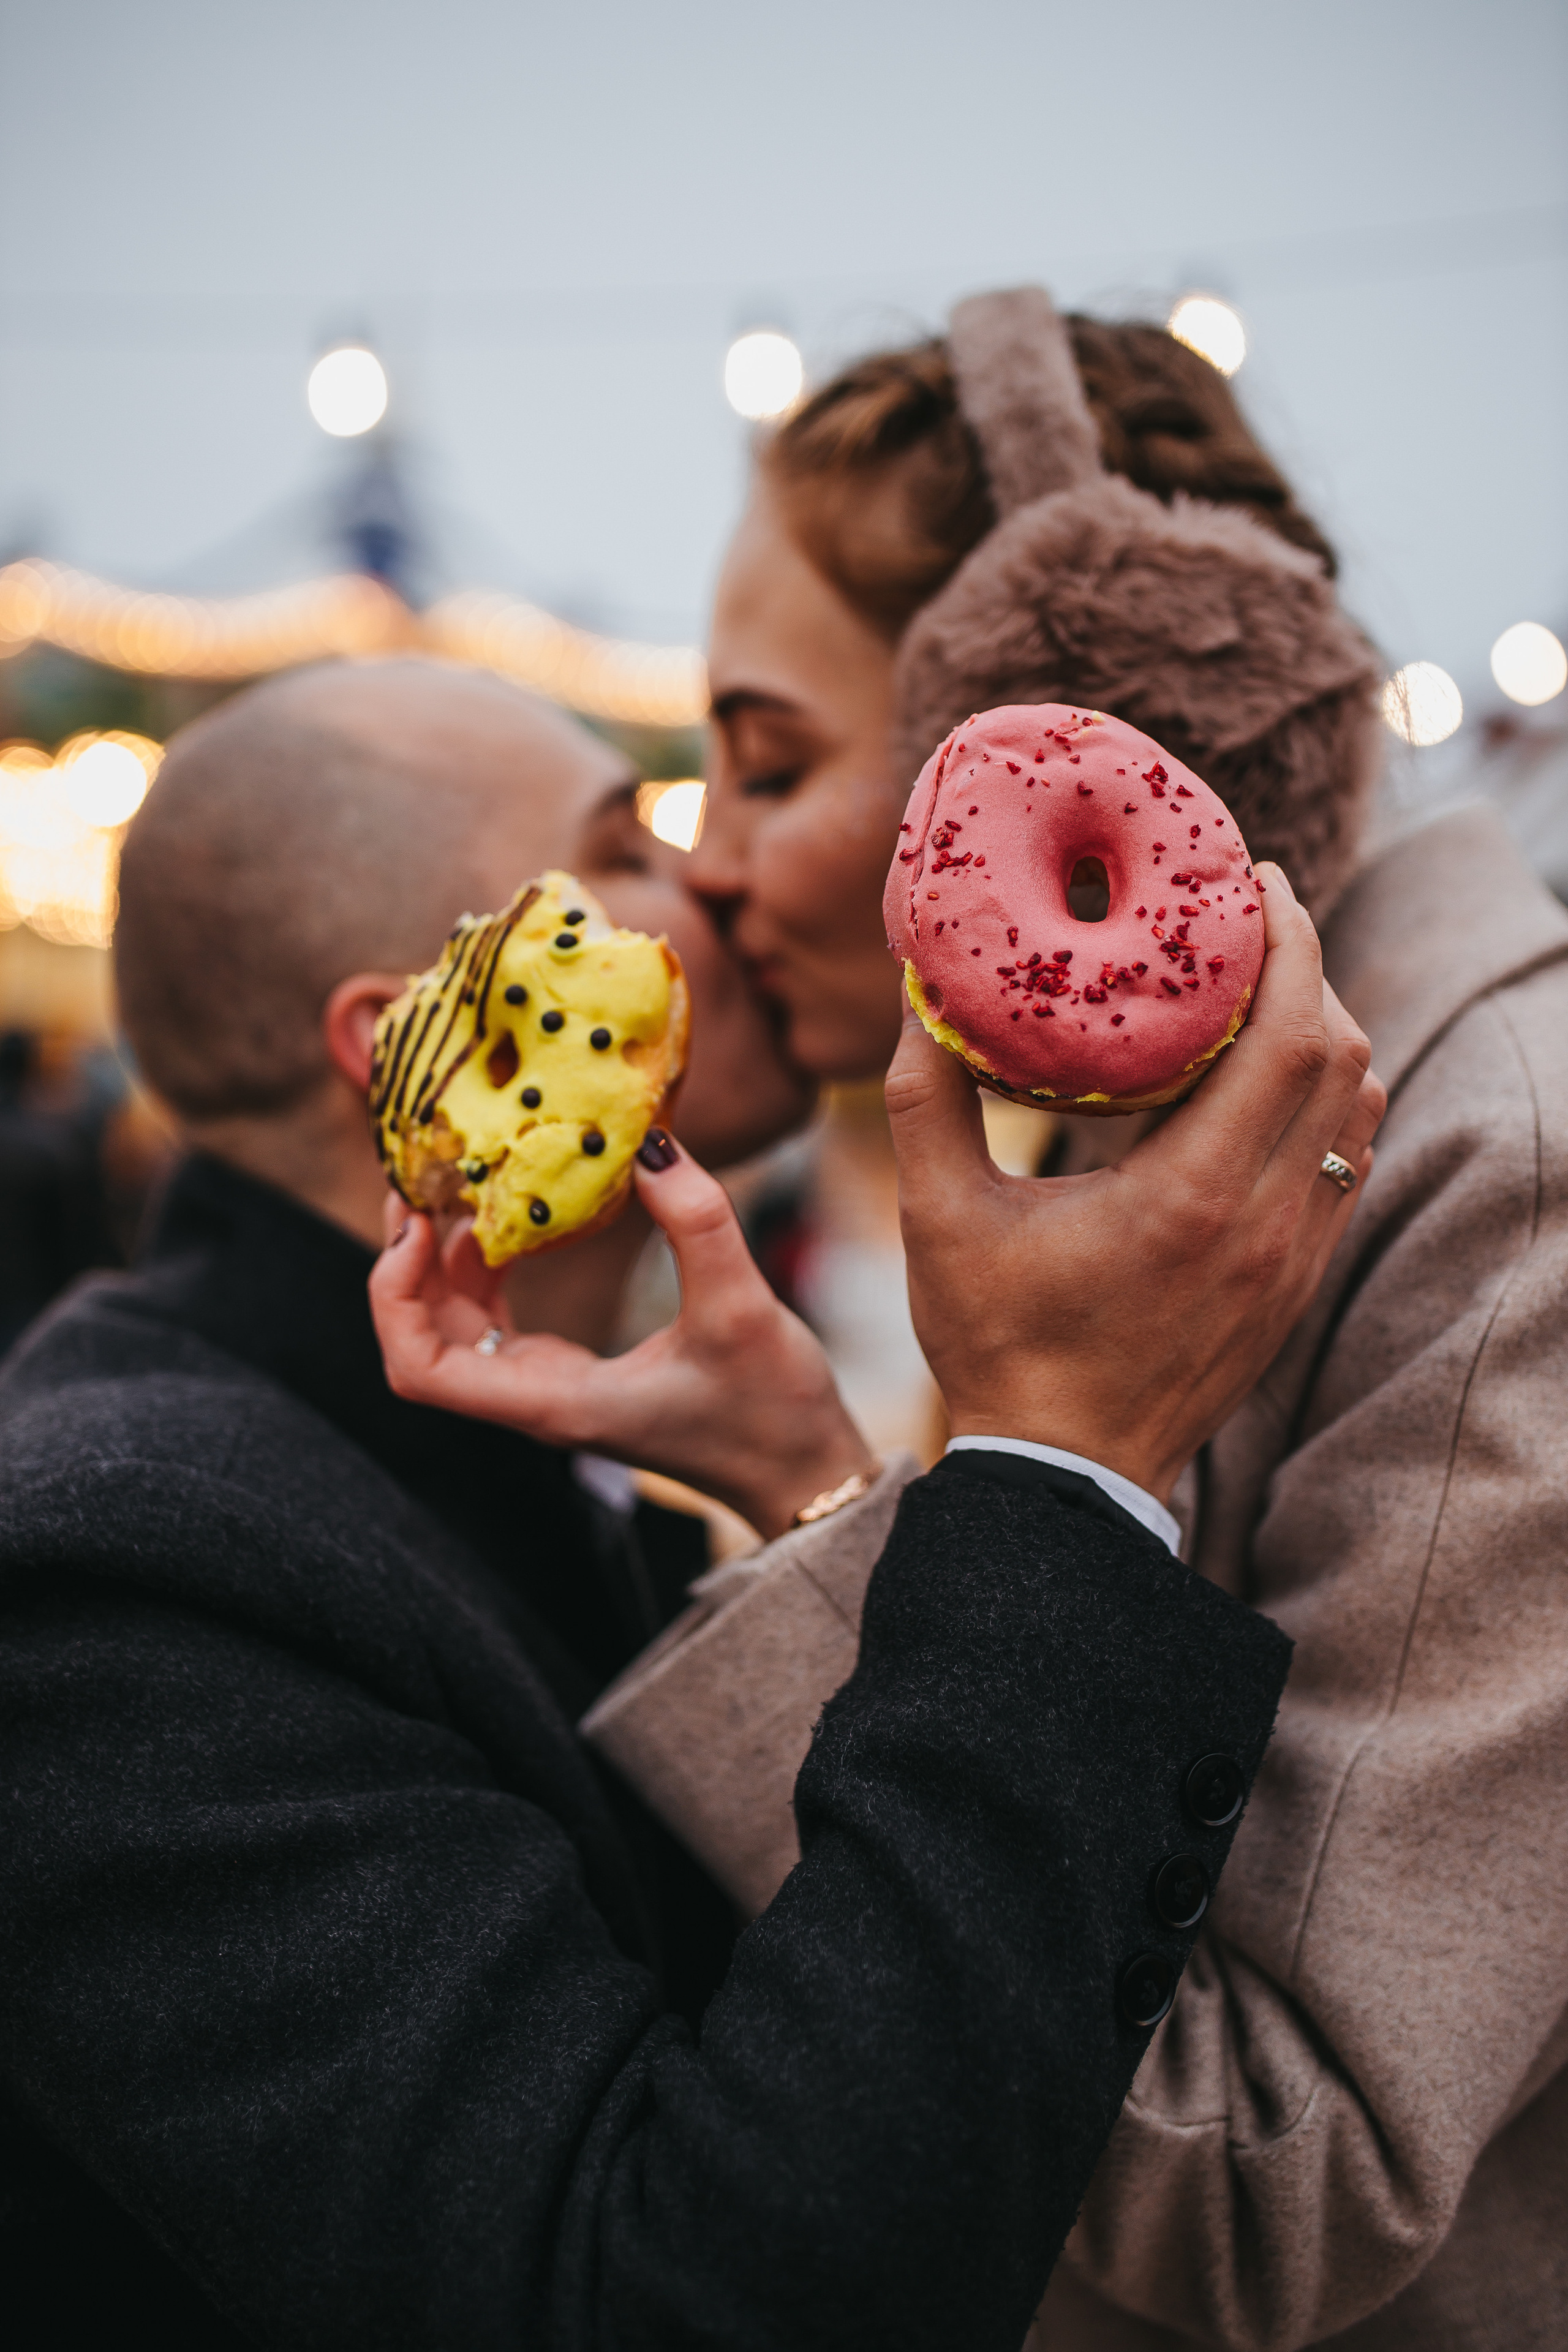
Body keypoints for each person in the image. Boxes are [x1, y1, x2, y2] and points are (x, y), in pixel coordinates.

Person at [0, 650, 1376, 2348]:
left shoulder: (422, 1462)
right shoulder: (107, 1578)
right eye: (628, 848)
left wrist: (801, 1476)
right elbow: (683, 2298)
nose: (720, 878)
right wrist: (1067, 1461)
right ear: (430, 1040)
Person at [595, 287, 1568, 2347]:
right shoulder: (1159, 1139)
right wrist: (809, 1476)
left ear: (1108, 732)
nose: (713, 859)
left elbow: (1271, 2177)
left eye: (768, 761)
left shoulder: (1516, 1189)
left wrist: (861, 1504)